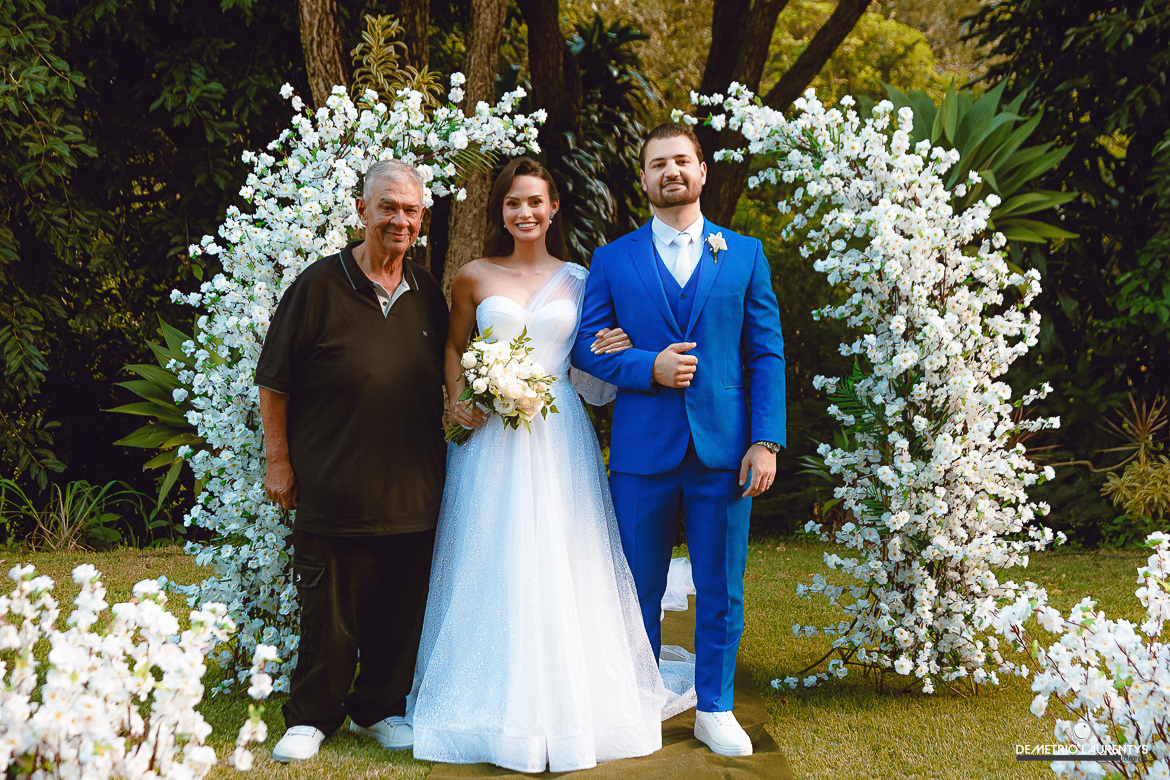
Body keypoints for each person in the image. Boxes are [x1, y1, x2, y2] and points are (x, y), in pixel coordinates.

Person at [407, 157, 672, 773]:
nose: (524, 212)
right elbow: (454, 346)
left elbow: (596, 348)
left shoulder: (582, 279)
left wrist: (616, 344)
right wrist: (457, 399)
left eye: (534, 201)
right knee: (492, 551)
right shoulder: (474, 276)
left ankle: (571, 698)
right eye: (512, 203)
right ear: (500, 212)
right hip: (490, 435)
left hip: (558, 434)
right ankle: (490, 695)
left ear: (553, 208)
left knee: (564, 550)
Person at [571, 122, 786, 757]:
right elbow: (586, 348)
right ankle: (637, 705)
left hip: (726, 451)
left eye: (682, 161)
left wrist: (765, 441)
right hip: (643, 452)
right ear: (643, 178)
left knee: (722, 586)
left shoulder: (744, 253)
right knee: (635, 586)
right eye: (659, 163)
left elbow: (765, 353)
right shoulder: (613, 260)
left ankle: (714, 708)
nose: (672, 172)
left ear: (701, 171)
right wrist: (648, 366)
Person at [255, 159, 449, 762]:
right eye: (387, 207)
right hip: (335, 487)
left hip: (412, 490)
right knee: (328, 617)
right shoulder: (318, 286)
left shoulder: (427, 293)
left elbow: (451, 378)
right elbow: (274, 381)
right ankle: (311, 718)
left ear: (422, 217)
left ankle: (379, 711)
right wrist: (278, 462)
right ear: (361, 210)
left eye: (410, 210)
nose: (399, 220)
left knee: (399, 612)